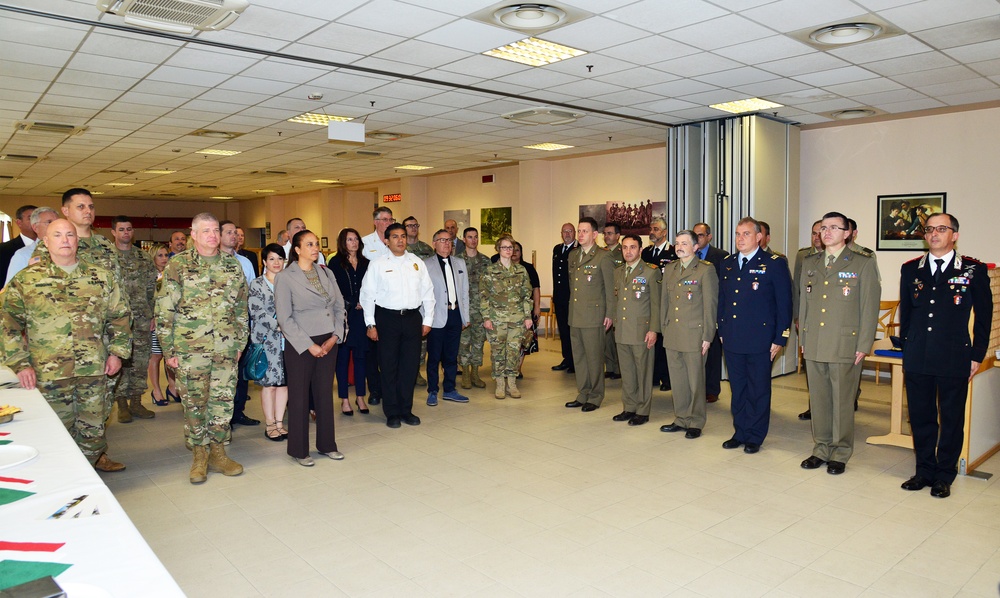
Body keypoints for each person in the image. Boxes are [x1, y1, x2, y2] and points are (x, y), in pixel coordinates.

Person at [2, 219, 130, 472]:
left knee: (93, 434)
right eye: (57, 235)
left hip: (94, 372)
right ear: (46, 242)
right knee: (53, 432)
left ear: (77, 240)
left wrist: (117, 353)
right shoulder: (27, 280)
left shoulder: (101, 277)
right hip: (49, 375)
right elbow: (7, 325)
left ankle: (83, 474)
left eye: (70, 235)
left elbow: (121, 317)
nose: (65, 240)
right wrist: (20, 364)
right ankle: (65, 477)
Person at [899, 213, 993, 498]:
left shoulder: (973, 269)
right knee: (921, 415)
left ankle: (944, 474)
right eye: (929, 230)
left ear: (955, 235)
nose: (934, 234)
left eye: (941, 229)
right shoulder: (911, 268)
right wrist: (906, 347)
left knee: (951, 417)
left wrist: (977, 354)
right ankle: (924, 470)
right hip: (918, 353)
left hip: (954, 354)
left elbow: (984, 317)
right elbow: (907, 313)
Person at [155, 212, 249, 484]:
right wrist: (169, 352)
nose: (212, 235)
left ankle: (219, 453)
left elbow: (242, 308)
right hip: (190, 350)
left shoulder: (232, 266)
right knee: (195, 404)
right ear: (193, 235)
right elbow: (164, 310)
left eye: (216, 230)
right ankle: (199, 455)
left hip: (226, 349)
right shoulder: (178, 266)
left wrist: (240, 343)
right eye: (205, 230)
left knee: (222, 403)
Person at [798, 212, 880, 475]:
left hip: (846, 342)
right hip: (816, 341)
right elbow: (805, 306)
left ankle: (841, 451)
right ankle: (821, 448)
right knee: (819, 399)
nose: (827, 232)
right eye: (823, 228)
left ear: (847, 233)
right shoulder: (811, 262)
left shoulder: (862, 263)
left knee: (842, 400)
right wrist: (803, 339)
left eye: (834, 227)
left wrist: (864, 343)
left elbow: (869, 307)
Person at [717, 217, 792, 454]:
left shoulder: (774, 263)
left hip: (761, 339)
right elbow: (723, 300)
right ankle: (740, 432)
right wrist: (721, 327)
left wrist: (781, 337)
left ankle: (755, 436)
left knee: (758, 389)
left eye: (746, 234)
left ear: (759, 237)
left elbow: (784, 304)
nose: (740, 238)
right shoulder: (728, 263)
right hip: (732, 337)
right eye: (738, 234)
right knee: (737, 388)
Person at [274, 230, 346, 465]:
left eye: (316, 244)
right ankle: (298, 450)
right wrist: (309, 345)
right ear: (296, 250)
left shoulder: (327, 272)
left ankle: (327, 445)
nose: (315, 248)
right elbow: (284, 318)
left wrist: (336, 336)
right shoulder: (285, 277)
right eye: (309, 244)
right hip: (300, 344)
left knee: (325, 394)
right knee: (299, 397)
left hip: (329, 340)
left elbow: (339, 306)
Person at [360, 222, 435, 429]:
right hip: (387, 319)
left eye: (403, 236)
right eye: (395, 236)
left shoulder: (417, 262)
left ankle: (406, 409)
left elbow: (428, 293)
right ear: (386, 240)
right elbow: (367, 295)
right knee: (389, 366)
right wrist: (370, 324)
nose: (400, 240)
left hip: (412, 319)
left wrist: (428, 320)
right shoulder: (377, 264)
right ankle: (391, 411)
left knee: (409, 367)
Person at [659, 230, 719, 438]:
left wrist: (707, 336)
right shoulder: (670, 269)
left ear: (695, 247)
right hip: (673, 333)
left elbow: (710, 306)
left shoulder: (705, 270)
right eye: (677, 243)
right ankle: (681, 418)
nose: (679, 246)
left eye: (684, 243)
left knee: (695, 381)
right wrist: (663, 329)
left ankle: (696, 421)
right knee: (678, 381)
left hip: (695, 334)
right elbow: (664, 303)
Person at [564, 217, 616, 412]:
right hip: (576, 315)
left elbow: (611, 289)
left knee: (594, 358)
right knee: (580, 358)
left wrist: (610, 314)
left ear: (595, 235)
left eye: (584, 231)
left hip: (594, 316)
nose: (580, 235)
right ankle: (583, 393)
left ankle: (595, 396)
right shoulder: (573, 255)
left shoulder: (603, 257)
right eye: (579, 231)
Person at [110, 215, 158, 423]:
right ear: (113, 232)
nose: (126, 233)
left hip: (141, 318)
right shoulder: (107, 257)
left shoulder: (143, 258)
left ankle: (136, 402)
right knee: (120, 360)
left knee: (140, 361)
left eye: (129, 229)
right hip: (117, 320)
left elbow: (151, 289)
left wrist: (152, 313)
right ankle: (121, 404)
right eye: (121, 229)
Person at [611, 234, 660, 426]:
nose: (628, 251)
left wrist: (654, 329)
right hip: (622, 330)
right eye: (624, 247)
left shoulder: (650, 272)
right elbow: (617, 301)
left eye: (632, 247)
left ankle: (642, 410)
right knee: (628, 372)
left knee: (643, 373)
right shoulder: (618, 272)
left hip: (642, 331)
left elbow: (656, 304)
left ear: (640, 250)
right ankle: (629, 407)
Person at [481, 234, 533, 399]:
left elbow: (527, 295)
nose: (508, 250)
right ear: (498, 249)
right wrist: (486, 318)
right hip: (496, 319)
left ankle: (511, 383)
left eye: (510, 247)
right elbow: (483, 296)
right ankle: (500, 384)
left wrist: (527, 316)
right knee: (497, 352)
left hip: (517, 319)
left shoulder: (521, 270)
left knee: (513, 351)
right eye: (504, 247)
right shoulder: (490, 271)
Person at [424, 229, 471, 405]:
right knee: (434, 356)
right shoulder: (426, 264)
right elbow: (423, 294)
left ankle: (450, 389)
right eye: (442, 240)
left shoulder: (460, 263)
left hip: (455, 315)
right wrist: (425, 319)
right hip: (436, 317)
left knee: (451, 356)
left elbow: (464, 291)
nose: (446, 243)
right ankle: (433, 391)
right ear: (434, 243)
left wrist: (465, 316)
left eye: (449, 240)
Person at [221, 220, 260, 428]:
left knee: (242, 373)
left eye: (235, 233)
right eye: (229, 233)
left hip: (242, 325)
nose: (234, 236)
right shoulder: (213, 262)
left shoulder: (244, 262)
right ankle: (222, 418)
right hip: (220, 329)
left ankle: (239, 412)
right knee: (223, 374)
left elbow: (252, 292)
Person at [248, 243, 289, 441]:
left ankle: (280, 423)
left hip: (289, 341)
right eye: (272, 259)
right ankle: (270, 424)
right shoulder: (257, 284)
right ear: (264, 261)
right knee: (269, 384)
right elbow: (257, 311)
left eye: (280, 258)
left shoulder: (289, 281)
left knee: (283, 384)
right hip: (267, 339)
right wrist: (280, 325)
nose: (276, 263)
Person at [329, 228, 371, 416]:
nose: (353, 243)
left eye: (356, 239)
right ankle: (344, 399)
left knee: (361, 357)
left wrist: (365, 302)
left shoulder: (366, 263)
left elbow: (372, 287)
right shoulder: (335, 263)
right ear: (342, 242)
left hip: (363, 316)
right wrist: (352, 302)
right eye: (349, 239)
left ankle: (360, 396)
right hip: (343, 315)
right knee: (343, 358)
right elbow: (333, 290)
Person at [360, 207, 395, 405]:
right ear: (376, 222)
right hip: (372, 305)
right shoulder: (366, 243)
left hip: (391, 306)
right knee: (372, 353)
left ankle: (390, 387)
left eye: (391, 219)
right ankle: (374, 389)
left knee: (389, 352)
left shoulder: (397, 244)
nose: (388, 223)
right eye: (384, 219)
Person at [692, 222, 728, 404]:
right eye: (695, 235)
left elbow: (725, 286)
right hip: (692, 311)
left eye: (701, 235)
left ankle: (712, 389)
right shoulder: (689, 255)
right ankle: (695, 388)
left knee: (712, 352)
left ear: (709, 237)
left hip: (712, 310)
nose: (698, 238)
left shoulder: (721, 256)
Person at [640, 216, 677, 391]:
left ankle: (667, 378)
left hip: (667, 302)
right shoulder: (646, 253)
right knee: (650, 340)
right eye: (651, 229)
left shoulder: (673, 252)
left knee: (664, 342)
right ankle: (654, 376)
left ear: (664, 232)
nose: (652, 232)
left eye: (656, 229)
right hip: (648, 302)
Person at [794, 220, 824, 421]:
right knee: (811, 367)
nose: (816, 237)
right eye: (813, 233)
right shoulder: (803, 255)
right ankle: (814, 406)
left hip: (829, 321)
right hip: (809, 320)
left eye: (819, 232)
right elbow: (797, 288)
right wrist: (797, 316)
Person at [457, 226, 492, 389]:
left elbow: (490, 287)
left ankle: (475, 373)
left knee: (478, 342)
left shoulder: (486, 261)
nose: (473, 240)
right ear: (464, 239)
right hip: (463, 310)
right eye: (470, 237)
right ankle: (464, 372)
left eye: (476, 237)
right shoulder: (456, 260)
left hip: (480, 310)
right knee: (463, 343)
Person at [5, 207, 57, 287]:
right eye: (49, 222)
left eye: (57, 222)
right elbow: (10, 290)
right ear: (35, 227)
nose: (55, 226)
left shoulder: (68, 251)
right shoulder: (23, 255)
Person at [146, 243, 171, 406]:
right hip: (156, 321)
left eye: (166, 255)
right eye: (160, 255)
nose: (163, 258)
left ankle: (173, 388)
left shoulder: (171, 273)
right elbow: (147, 299)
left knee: (169, 356)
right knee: (156, 356)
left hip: (170, 321)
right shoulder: (149, 276)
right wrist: (152, 316)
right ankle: (156, 390)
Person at [551, 223, 578, 372]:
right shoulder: (557, 249)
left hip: (572, 297)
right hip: (560, 297)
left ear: (574, 233)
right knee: (562, 329)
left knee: (572, 330)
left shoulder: (578, 250)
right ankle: (566, 358)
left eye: (570, 231)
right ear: (561, 233)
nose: (567, 234)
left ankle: (575, 361)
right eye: (564, 231)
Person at [511, 241, 541, 377]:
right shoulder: (502, 267)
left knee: (524, 341)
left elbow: (536, 289)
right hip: (508, 311)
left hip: (526, 311)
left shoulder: (528, 268)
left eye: (517, 250)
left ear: (521, 252)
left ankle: (518, 369)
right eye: (512, 249)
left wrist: (537, 307)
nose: (514, 252)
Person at [602, 222, 623, 380]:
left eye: (610, 233)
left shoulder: (623, 253)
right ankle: (610, 366)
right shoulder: (602, 253)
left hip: (619, 298)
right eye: (605, 233)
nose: (606, 236)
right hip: (605, 299)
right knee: (606, 337)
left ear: (617, 236)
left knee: (617, 335)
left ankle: (619, 368)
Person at [0, 204, 36, 289]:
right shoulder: (4, 250)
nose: (36, 222)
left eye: (38, 218)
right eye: (31, 218)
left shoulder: (51, 248)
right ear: (19, 223)